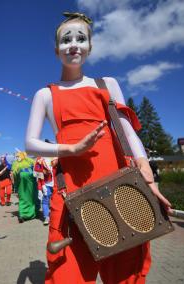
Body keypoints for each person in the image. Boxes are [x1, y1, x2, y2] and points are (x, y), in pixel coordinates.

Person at [25, 12, 172, 284]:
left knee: (125, 270)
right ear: (57, 50)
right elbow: (30, 145)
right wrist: (72, 149)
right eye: (66, 39)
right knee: (67, 271)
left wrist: (148, 175)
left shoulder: (106, 84)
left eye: (81, 38)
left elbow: (127, 130)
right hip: (70, 187)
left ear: (90, 47)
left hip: (118, 184)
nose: (74, 44)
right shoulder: (45, 94)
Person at [12, 151, 38, 223]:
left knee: (24, 198)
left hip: (27, 185)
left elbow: (14, 177)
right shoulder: (17, 165)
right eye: (17, 156)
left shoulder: (17, 165)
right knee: (29, 198)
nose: (17, 158)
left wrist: (16, 187)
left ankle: (23, 214)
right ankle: (29, 214)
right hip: (28, 185)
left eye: (18, 156)